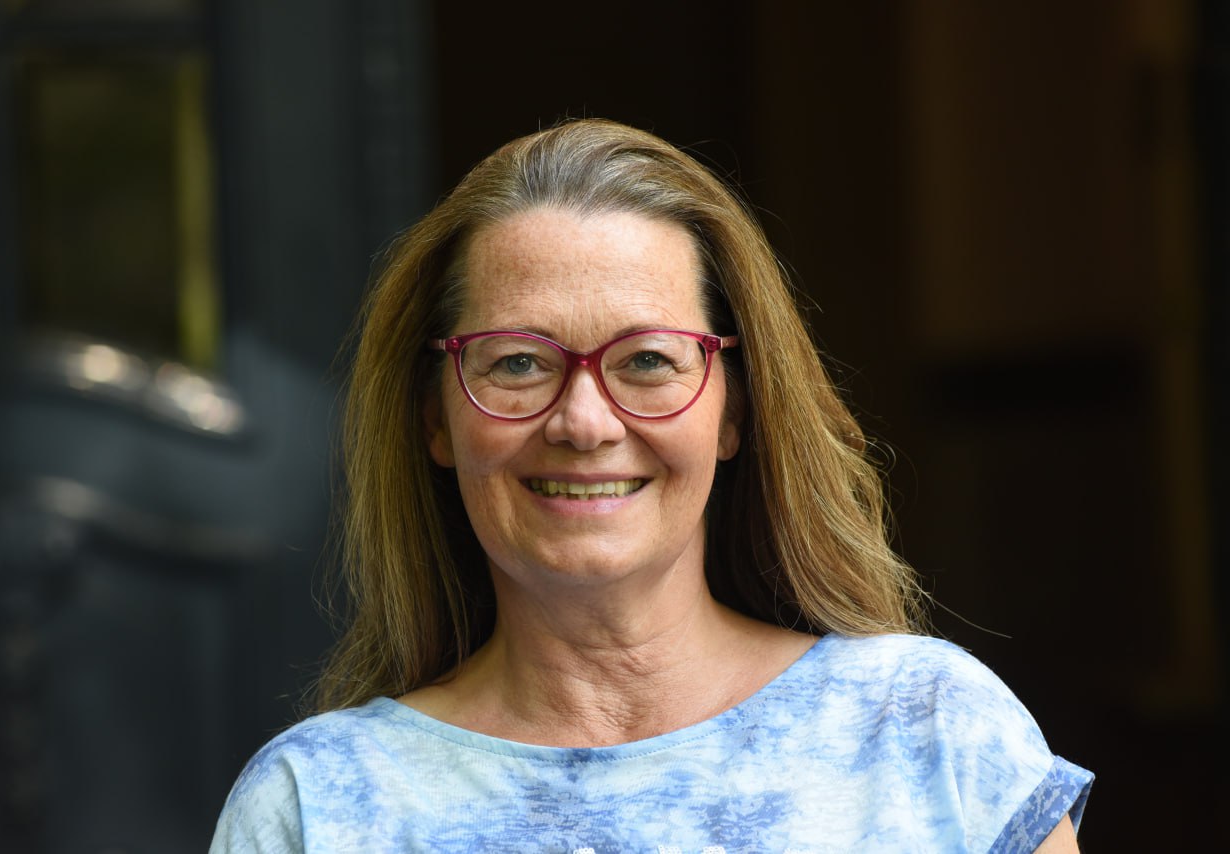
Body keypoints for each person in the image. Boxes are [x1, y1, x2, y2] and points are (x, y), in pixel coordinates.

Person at [211, 119, 1092, 852]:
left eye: (647, 360)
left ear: (734, 409)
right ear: (437, 420)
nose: (585, 422)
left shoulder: (930, 733)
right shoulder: (316, 806)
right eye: (518, 361)